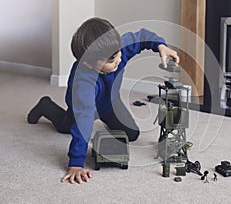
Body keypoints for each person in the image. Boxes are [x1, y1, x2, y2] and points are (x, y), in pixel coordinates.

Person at [27, 17, 179, 184]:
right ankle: (45, 105)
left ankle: (106, 118)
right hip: (83, 108)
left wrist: (160, 46)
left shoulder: (117, 50)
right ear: (88, 63)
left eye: (118, 54)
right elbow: (83, 119)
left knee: (131, 134)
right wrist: (76, 162)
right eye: (111, 61)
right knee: (66, 127)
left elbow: (142, 36)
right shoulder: (83, 81)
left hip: (110, 102)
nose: (119, 60)